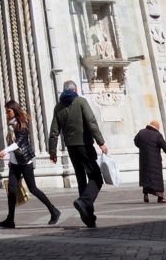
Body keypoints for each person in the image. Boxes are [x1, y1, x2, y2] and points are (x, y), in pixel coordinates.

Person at [49, 79, 108, 228]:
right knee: (96, 177)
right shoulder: (81, 101)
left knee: (81, 179)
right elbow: (91, 121)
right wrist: (101, 142)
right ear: (76, 90)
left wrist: (52, 151)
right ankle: (84, 202)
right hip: (84, 145)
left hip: (71, 147)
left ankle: (89, 218)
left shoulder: (58, 107)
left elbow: (54, 131)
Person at [0, 100, 60, 228]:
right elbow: (13, 145)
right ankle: (10, 220)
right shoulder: (11, 126)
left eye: (8, 111)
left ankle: (54, 211)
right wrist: (10, 159)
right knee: (12, 190)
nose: (6, 114)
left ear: (14, 111)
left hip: (25, 162)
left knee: (33, 189)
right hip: (15, 163)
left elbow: (18, 144)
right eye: (6, 111)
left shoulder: (22, 126)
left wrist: (5, 151)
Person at [134, 119, 166, 202]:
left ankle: (146, 194)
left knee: (146, 177)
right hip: (154, 160)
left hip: (143, 160)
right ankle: (160, 197)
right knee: (156, 178)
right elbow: (165, 147)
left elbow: (136, 142)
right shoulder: (157, 135)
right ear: (157, 127)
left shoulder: (141, 132)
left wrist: (143, 147)